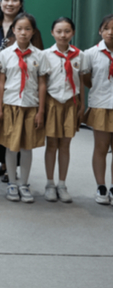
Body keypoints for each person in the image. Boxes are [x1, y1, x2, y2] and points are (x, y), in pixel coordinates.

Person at [0, 0, 43, 181]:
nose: (10, 4)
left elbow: (38, 56)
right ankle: (3, 164)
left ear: (20, 3)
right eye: (6, 0)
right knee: (2, 125)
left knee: (20, 130)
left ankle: (14, 169)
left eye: (14, 0)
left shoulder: (28, 27)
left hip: (20, 84)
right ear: (0, 2)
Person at [0, 13, 48, 203]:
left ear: (33, 32)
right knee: (11, 146)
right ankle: (12, 183)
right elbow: (1, 83)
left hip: (30, 106)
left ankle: (24, 184)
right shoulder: (5, 54)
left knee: (27, 147)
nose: (23, 32)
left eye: (27, 29)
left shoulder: (40, 55)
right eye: (19, 29)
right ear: (13, 31)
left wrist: (41, 110)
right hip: (11, 105)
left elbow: (42, 84)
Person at [42, 17, 88, 203]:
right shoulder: (45, 55)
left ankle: (62, 184)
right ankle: (49, 184)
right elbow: (42, 83)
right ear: (52, 33)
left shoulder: (80, 55)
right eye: (59, 31)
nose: (63, 35)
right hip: (52, 102)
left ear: (73, 33)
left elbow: (81, 81)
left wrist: (82, 104)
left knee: (65, 144)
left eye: (67, 31)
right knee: (52, 144)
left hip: (71, 102)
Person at [83, 13, 113, 205]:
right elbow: (87, 79)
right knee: (101, 148)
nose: (110, 32)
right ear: (100, 31)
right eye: (107, 28)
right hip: (101, 105)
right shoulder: (90, 53)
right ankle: (101, 187)